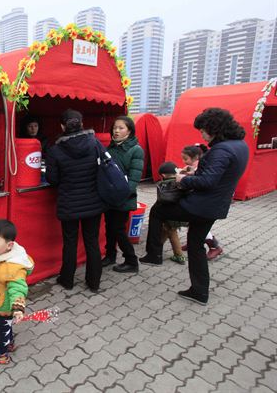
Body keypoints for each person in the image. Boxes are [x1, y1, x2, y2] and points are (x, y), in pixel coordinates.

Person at [141, 108, 249, 305]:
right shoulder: (240, 145)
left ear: (213, 128)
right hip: (215, 207)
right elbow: (217, 176)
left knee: (158, 210)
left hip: (200, 205)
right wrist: (194, 175)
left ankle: (154, 254)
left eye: (203, 130)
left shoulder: (222, 149)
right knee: (195, 243)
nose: (202, 134)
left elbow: (208, 181)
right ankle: (199, 291)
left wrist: (184, 179)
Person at [46, 109, 106, 292]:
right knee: (92, 242)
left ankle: (67, 280)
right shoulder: (95, 143)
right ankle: (94, 283)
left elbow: (52, 179)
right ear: (81, 123)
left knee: (70, 242)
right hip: (93, 201)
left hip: (69, 203)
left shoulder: (55, 150)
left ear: (62, 126)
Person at [0, 219, 34, 364]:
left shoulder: (12, 265)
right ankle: (8, 342)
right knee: (4, 325)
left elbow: (18, 287)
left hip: (6, 305)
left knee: (2, 327)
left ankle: (1, 355)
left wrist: (17, 307)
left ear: (9, 245)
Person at [101, 116, 144, 273]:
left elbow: (134, 178)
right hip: (109, 197)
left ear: (129, 131)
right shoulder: (110, 148)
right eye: (114, 128)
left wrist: (123, 194)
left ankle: (131, 261)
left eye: (121, 128)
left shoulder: (136, 150)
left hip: (124, 198)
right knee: (109, 228)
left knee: (118, 229)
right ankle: (110, 255)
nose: (116, 131)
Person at [180, 144, 224, 260]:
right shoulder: (194, 166)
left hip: (205, 202)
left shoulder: (202, 166)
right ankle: (191, 243)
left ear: (195, 158)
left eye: (186, 159)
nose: (184, 161)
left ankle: (214, 247)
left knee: (201, 226)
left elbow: (201, 181)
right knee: (193, 223)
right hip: (197, 199)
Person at [157, 161, 186, 265]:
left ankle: (179, 256)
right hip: (181, 212)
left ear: (163, 175)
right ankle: (157, 247)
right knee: (166, 230)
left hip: (169, 214)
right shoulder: (182, 182)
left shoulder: (164, 184)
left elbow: (161, 200)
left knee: (171, 231)